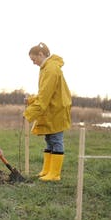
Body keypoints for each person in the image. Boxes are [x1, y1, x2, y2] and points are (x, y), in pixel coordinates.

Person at [24, 42, 72, 181]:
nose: (33, 63)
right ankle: (47, 170)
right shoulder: (46, 68)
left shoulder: (51, 69)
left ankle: (55, 174)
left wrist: (29, 113)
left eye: (34, 59)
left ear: (41, 54)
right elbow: (44, 92)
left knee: (56, 140)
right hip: (51, 110)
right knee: (49, 140)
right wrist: (31, 100)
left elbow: (45, 96)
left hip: (57, 110)